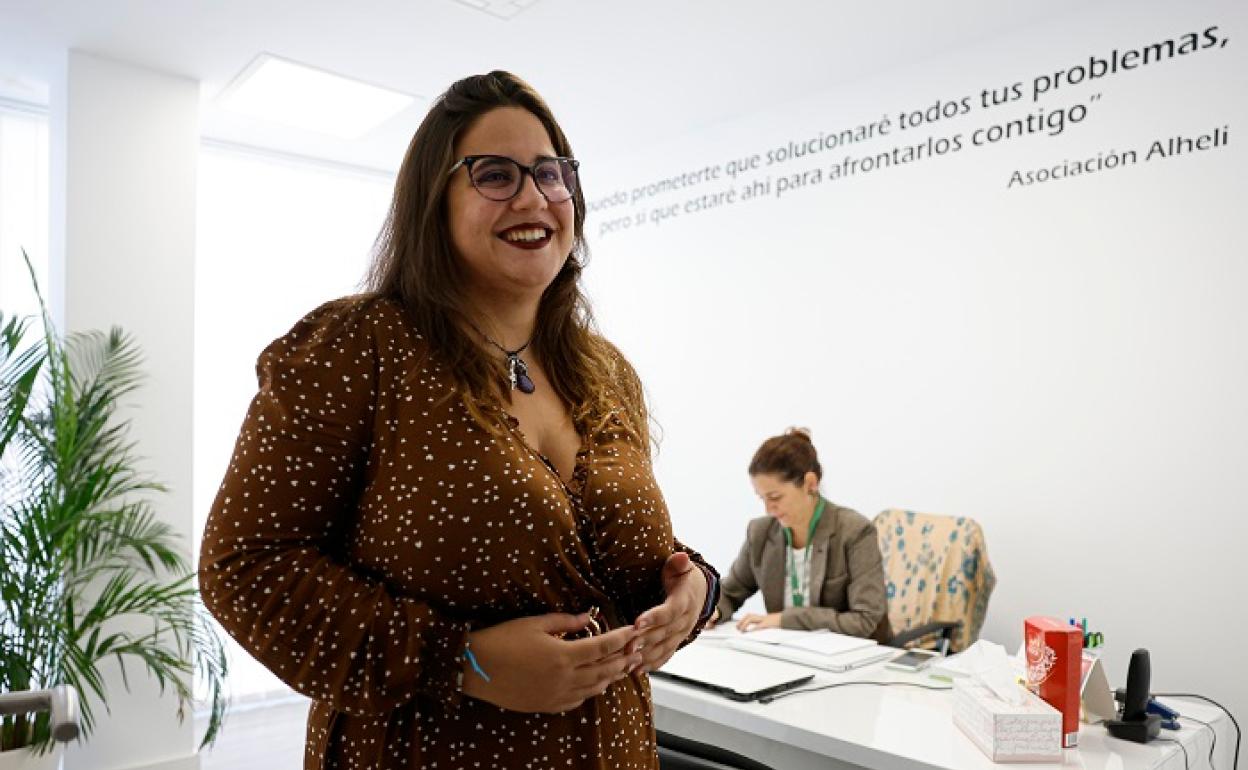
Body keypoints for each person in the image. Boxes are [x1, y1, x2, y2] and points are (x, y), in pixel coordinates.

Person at [199, 71, 718, 770]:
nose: (534, 197)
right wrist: (461, 661)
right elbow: (246, 570)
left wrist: (694, 590)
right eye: (495, 175)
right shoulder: (357, 348)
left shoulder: (603, 370)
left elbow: (592, 551)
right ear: (432, 201)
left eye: (550, 173)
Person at [709, 428, 890, 641]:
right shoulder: (760, 532)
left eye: (775, 497)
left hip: (851, 659)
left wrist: (786, 620)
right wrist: (715, 612)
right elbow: (730, 593)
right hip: (787, 653)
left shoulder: (855, 531)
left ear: (810, 484)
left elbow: (865, 619)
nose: (768, 509)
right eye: (762, 498)